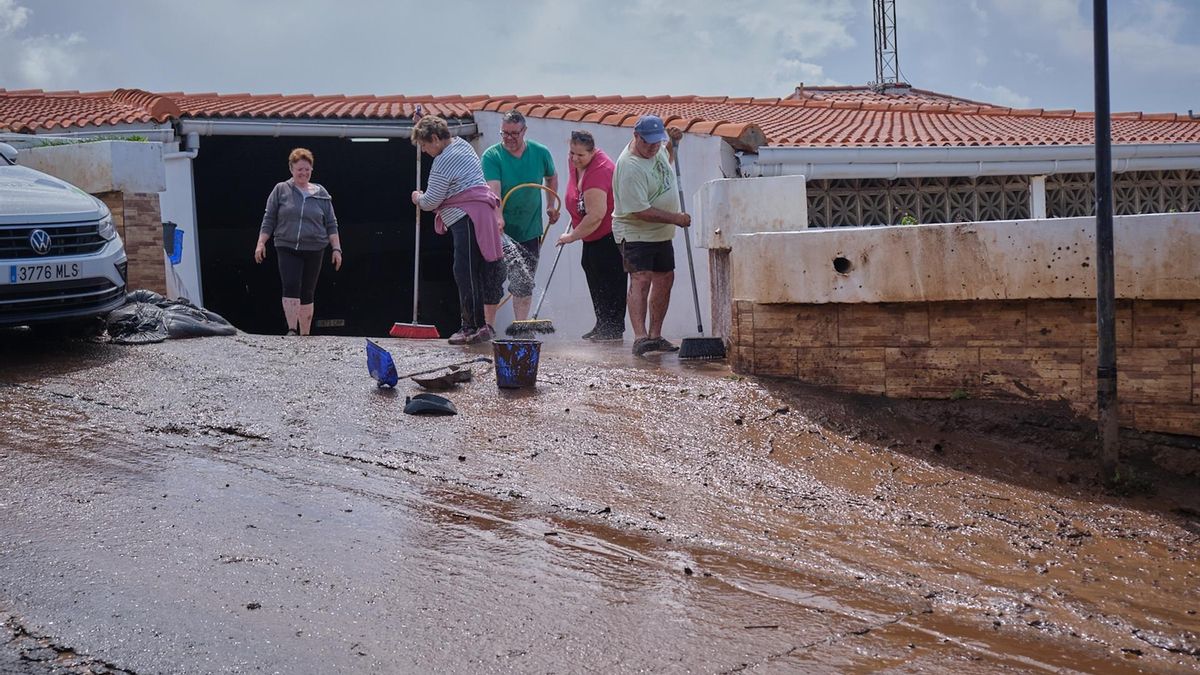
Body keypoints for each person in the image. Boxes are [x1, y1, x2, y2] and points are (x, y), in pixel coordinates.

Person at [410, 115, 505, 345]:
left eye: (424, 145)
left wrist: (418, 198)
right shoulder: (462, 145)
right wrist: (422, 121)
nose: (424, 151)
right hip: (482, 217)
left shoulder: (443, 162)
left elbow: (432, 200)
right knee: (476, 270)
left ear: (434, 139)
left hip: (467, 219)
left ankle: (471, 327)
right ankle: (480, 325)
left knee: (465, 271)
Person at [611, 115, 691, 356]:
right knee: (641, 278)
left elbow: (665, 161)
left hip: (661, 233)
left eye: (658, 142)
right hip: (635, 231)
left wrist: (672, 145)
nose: (653, 147)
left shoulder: (655, 149)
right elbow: (641, 211)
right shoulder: (629, 166)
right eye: (649, 143)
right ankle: (640, 337)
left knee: (665, 278)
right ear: (636, 136)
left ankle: (655, 335)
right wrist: (676, 218)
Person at [481, 110, 559, 328]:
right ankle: (488, 328)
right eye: (504, 133)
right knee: (492, 281)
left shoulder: (540, 152)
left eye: (514, 133)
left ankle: (521, 328)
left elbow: (551, 176)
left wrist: (551, 206)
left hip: (529, 229)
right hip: (499, 232)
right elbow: (493, 191)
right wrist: (498, 217)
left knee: (523, 282)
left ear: (524, 131)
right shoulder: (492, 156)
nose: (509, 138)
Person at [254, 147, 342, 336]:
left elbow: (331, 223)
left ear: (312, 170)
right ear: (291, 169)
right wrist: (261, 243)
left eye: (307, 169)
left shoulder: (321, 193)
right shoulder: (281, 190)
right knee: (292, 284)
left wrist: (336, 249)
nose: (303, 172)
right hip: (287, 245)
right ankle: (292, 329)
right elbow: (269, 218)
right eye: (299, 169)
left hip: (315, 247)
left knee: (308, 290)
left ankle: (305, 333)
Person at [556, 130, 626, 341]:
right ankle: (602, 322)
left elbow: (596, 215)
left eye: (581, 155)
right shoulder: (575, 163)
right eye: (572, 154)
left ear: (592, 152)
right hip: (591, 237)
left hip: (609, 235)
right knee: (592, 270)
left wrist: (571, 236)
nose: (575, 159)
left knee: (610, 280)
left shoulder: (600, 171)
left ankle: (612, 329)